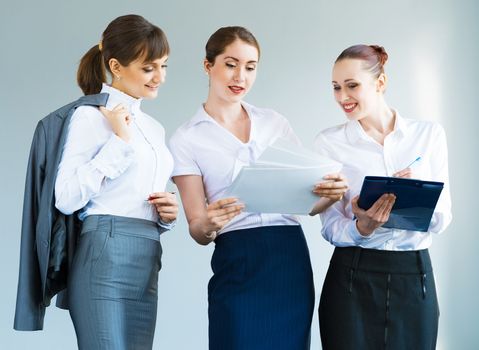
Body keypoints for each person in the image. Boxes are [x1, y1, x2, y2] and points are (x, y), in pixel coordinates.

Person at [169, 26, 348, 350]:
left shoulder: (274, 123)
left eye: (250, 67)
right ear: (208, 65)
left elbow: (306, 204)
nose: (241, 76)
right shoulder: (187, 137)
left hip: (288, 257)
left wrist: (329, 194)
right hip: (237, 258)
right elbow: (197, 228)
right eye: (231, 63)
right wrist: (209, 223)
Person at [314, 44, 452, 350]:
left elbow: (443, 219)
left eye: (352, 86)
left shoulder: (428, 135)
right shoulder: (329, 143)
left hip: (414, 275)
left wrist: (416, 192)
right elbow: (328, 226)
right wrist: (361, 227)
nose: (342, 97)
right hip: (351, 275)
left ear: (380, 83)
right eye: (336, 87)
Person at [54, 14, 178, 349]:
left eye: (163, 66)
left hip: (148, 254)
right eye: (149, 68)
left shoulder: (154, 128)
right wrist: (118, 143)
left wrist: (166, 214)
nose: (159, 77)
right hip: (104, 254)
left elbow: (135, 195)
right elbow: (65, 198)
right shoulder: (90, 117)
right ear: (116, 66)